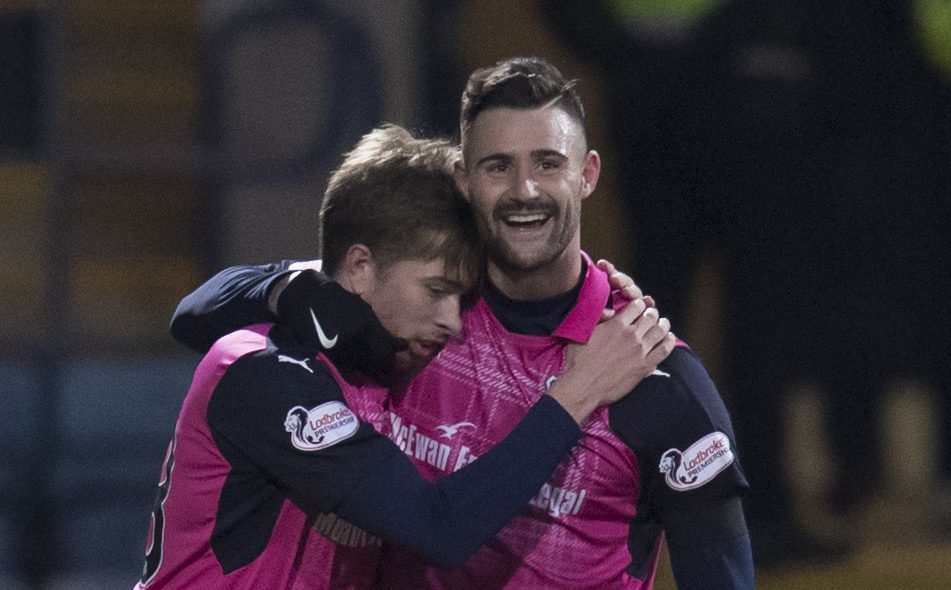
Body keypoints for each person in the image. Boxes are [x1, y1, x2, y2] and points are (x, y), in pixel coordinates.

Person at [171, 58, 754, 589]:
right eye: (498, 166)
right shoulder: (407, 323)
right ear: (463, 178)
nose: (525, 191)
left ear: (588, 175)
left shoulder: (657, 377)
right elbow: (198, 314)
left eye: (548, 164)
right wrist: (287, 285)